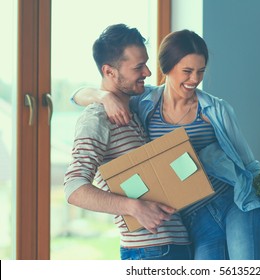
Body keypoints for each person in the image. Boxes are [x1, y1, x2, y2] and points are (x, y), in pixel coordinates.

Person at [73, 29, 260, 260]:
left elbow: (249, 164)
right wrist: (103, 97)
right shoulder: (142, 103)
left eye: (200, 71)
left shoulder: (214, 109)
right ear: (167, 68)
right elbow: (76, 96)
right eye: (187, 71)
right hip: (193, 217)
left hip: (232, 202)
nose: (195, 79)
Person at [64, 24, 192, 260]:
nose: (147, 73)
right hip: (150, 251)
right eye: (138, 67)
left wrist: (104, 95)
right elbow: (73, 189)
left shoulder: (137, 104)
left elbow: (76, 95)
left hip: (175, 245)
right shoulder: (96, 118)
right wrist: (134, 208)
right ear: (110, 72)